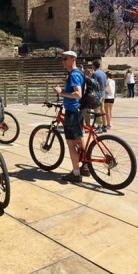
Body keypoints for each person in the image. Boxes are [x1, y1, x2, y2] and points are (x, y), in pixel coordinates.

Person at [53, 51, 87, 183]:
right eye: (62, 59)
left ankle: (76, 173)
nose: (63, 61)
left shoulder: (74, 74)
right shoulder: (78, 72)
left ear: (73, 59)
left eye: (65, 58)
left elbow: (78, 94)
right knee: (80, 137)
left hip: (72, 112)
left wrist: (61, 92)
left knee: (71, 143)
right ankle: (85, 166)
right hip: (77, 110)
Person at [91, 60, 107, 132]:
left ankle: (99, 126)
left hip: (97, 95)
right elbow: (105, 84)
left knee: (97, 112)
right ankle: (104, 125)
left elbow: (93, 85)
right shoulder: (103, 73)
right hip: (103, 94)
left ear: (94, 66)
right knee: (102, 110)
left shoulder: (95, 74)